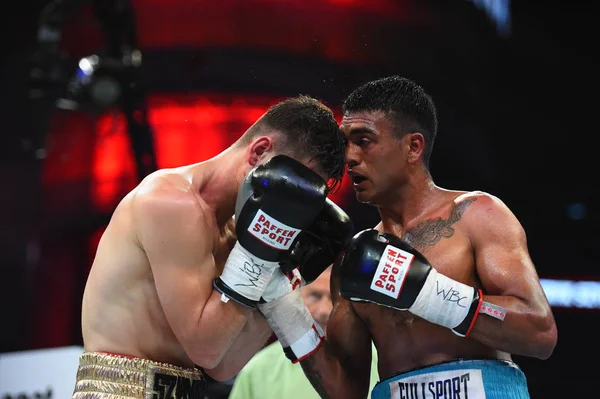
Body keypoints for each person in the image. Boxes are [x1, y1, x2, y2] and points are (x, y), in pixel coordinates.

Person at [257, 76, 558, 399]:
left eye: (364, 140)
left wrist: (428, 293)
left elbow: (539, 333)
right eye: (346, 142)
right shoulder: (352, 260)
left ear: (413, 147)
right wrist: (283, 306)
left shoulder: (476, 215)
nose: (350, 157)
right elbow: (347, 390)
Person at [71, 95, 352, 398]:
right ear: (259, 151)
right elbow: (205, 349)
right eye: (291, 184)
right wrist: (259, 258)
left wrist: (283, 279)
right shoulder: (169, 203)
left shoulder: (239, 236)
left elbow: (222, 365)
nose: (294, 205)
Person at [228, 266, 380, 399]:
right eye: (315, 296)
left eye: (334, 299)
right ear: (298, 298)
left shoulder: (381, 364)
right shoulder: (258, 370)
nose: (324, 311)